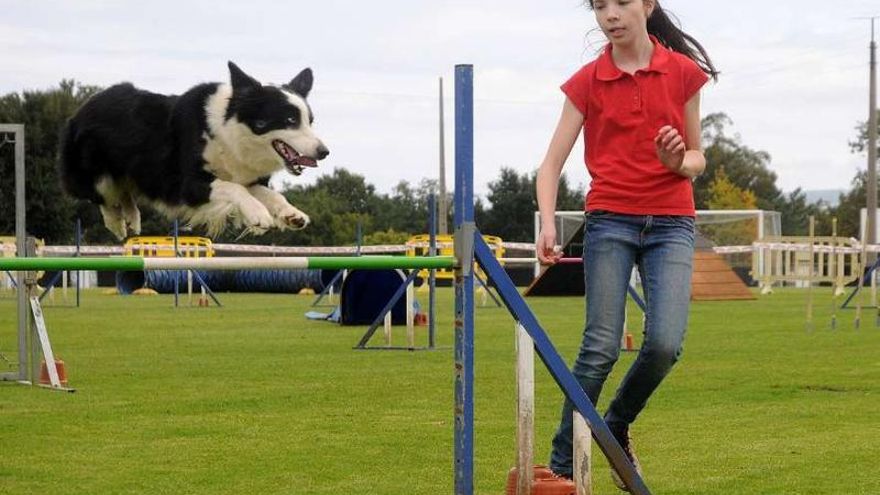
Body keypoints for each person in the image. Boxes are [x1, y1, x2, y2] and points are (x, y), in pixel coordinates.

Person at [534, 0, 718, 491]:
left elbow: (698, 157)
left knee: (663, 345)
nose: (610, 15)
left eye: (620, 3)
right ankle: (560, 462)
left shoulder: (682, 73)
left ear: (647, 4)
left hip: (672, 222)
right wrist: (548, 224)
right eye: (599, 6)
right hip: (610, 220)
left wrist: (678, 161)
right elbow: (550, 164)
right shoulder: (587, 82)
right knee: (599, 346)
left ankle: (614, 423)